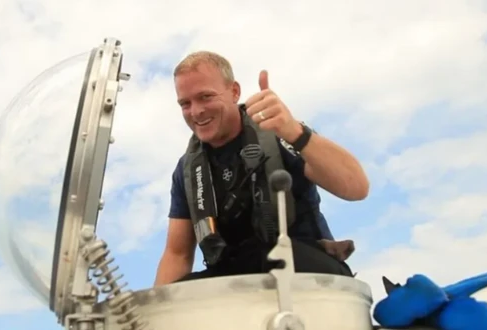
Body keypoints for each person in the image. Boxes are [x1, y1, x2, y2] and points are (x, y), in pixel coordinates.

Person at [153, 51, 369, 286]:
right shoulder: (186, 170)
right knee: (183, 293)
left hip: (303, 268)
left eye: (205, 97)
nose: (196, 111)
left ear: (234, 91)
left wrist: (295, 132)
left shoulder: (280, 134)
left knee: (282, 260)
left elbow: (357, 188)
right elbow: (178, 254)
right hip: (233, 280)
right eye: (185, 103)